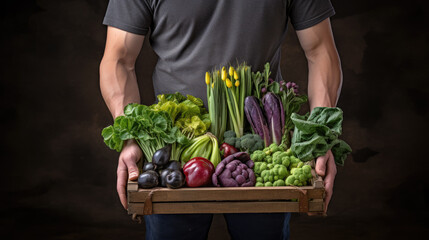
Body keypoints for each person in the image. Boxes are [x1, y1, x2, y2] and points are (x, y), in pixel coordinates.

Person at [99, 0, 342, 239]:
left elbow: (320, 51)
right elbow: (118, 60)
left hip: (261, 153)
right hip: (174, 154)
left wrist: (320, 135)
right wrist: (129, 138)